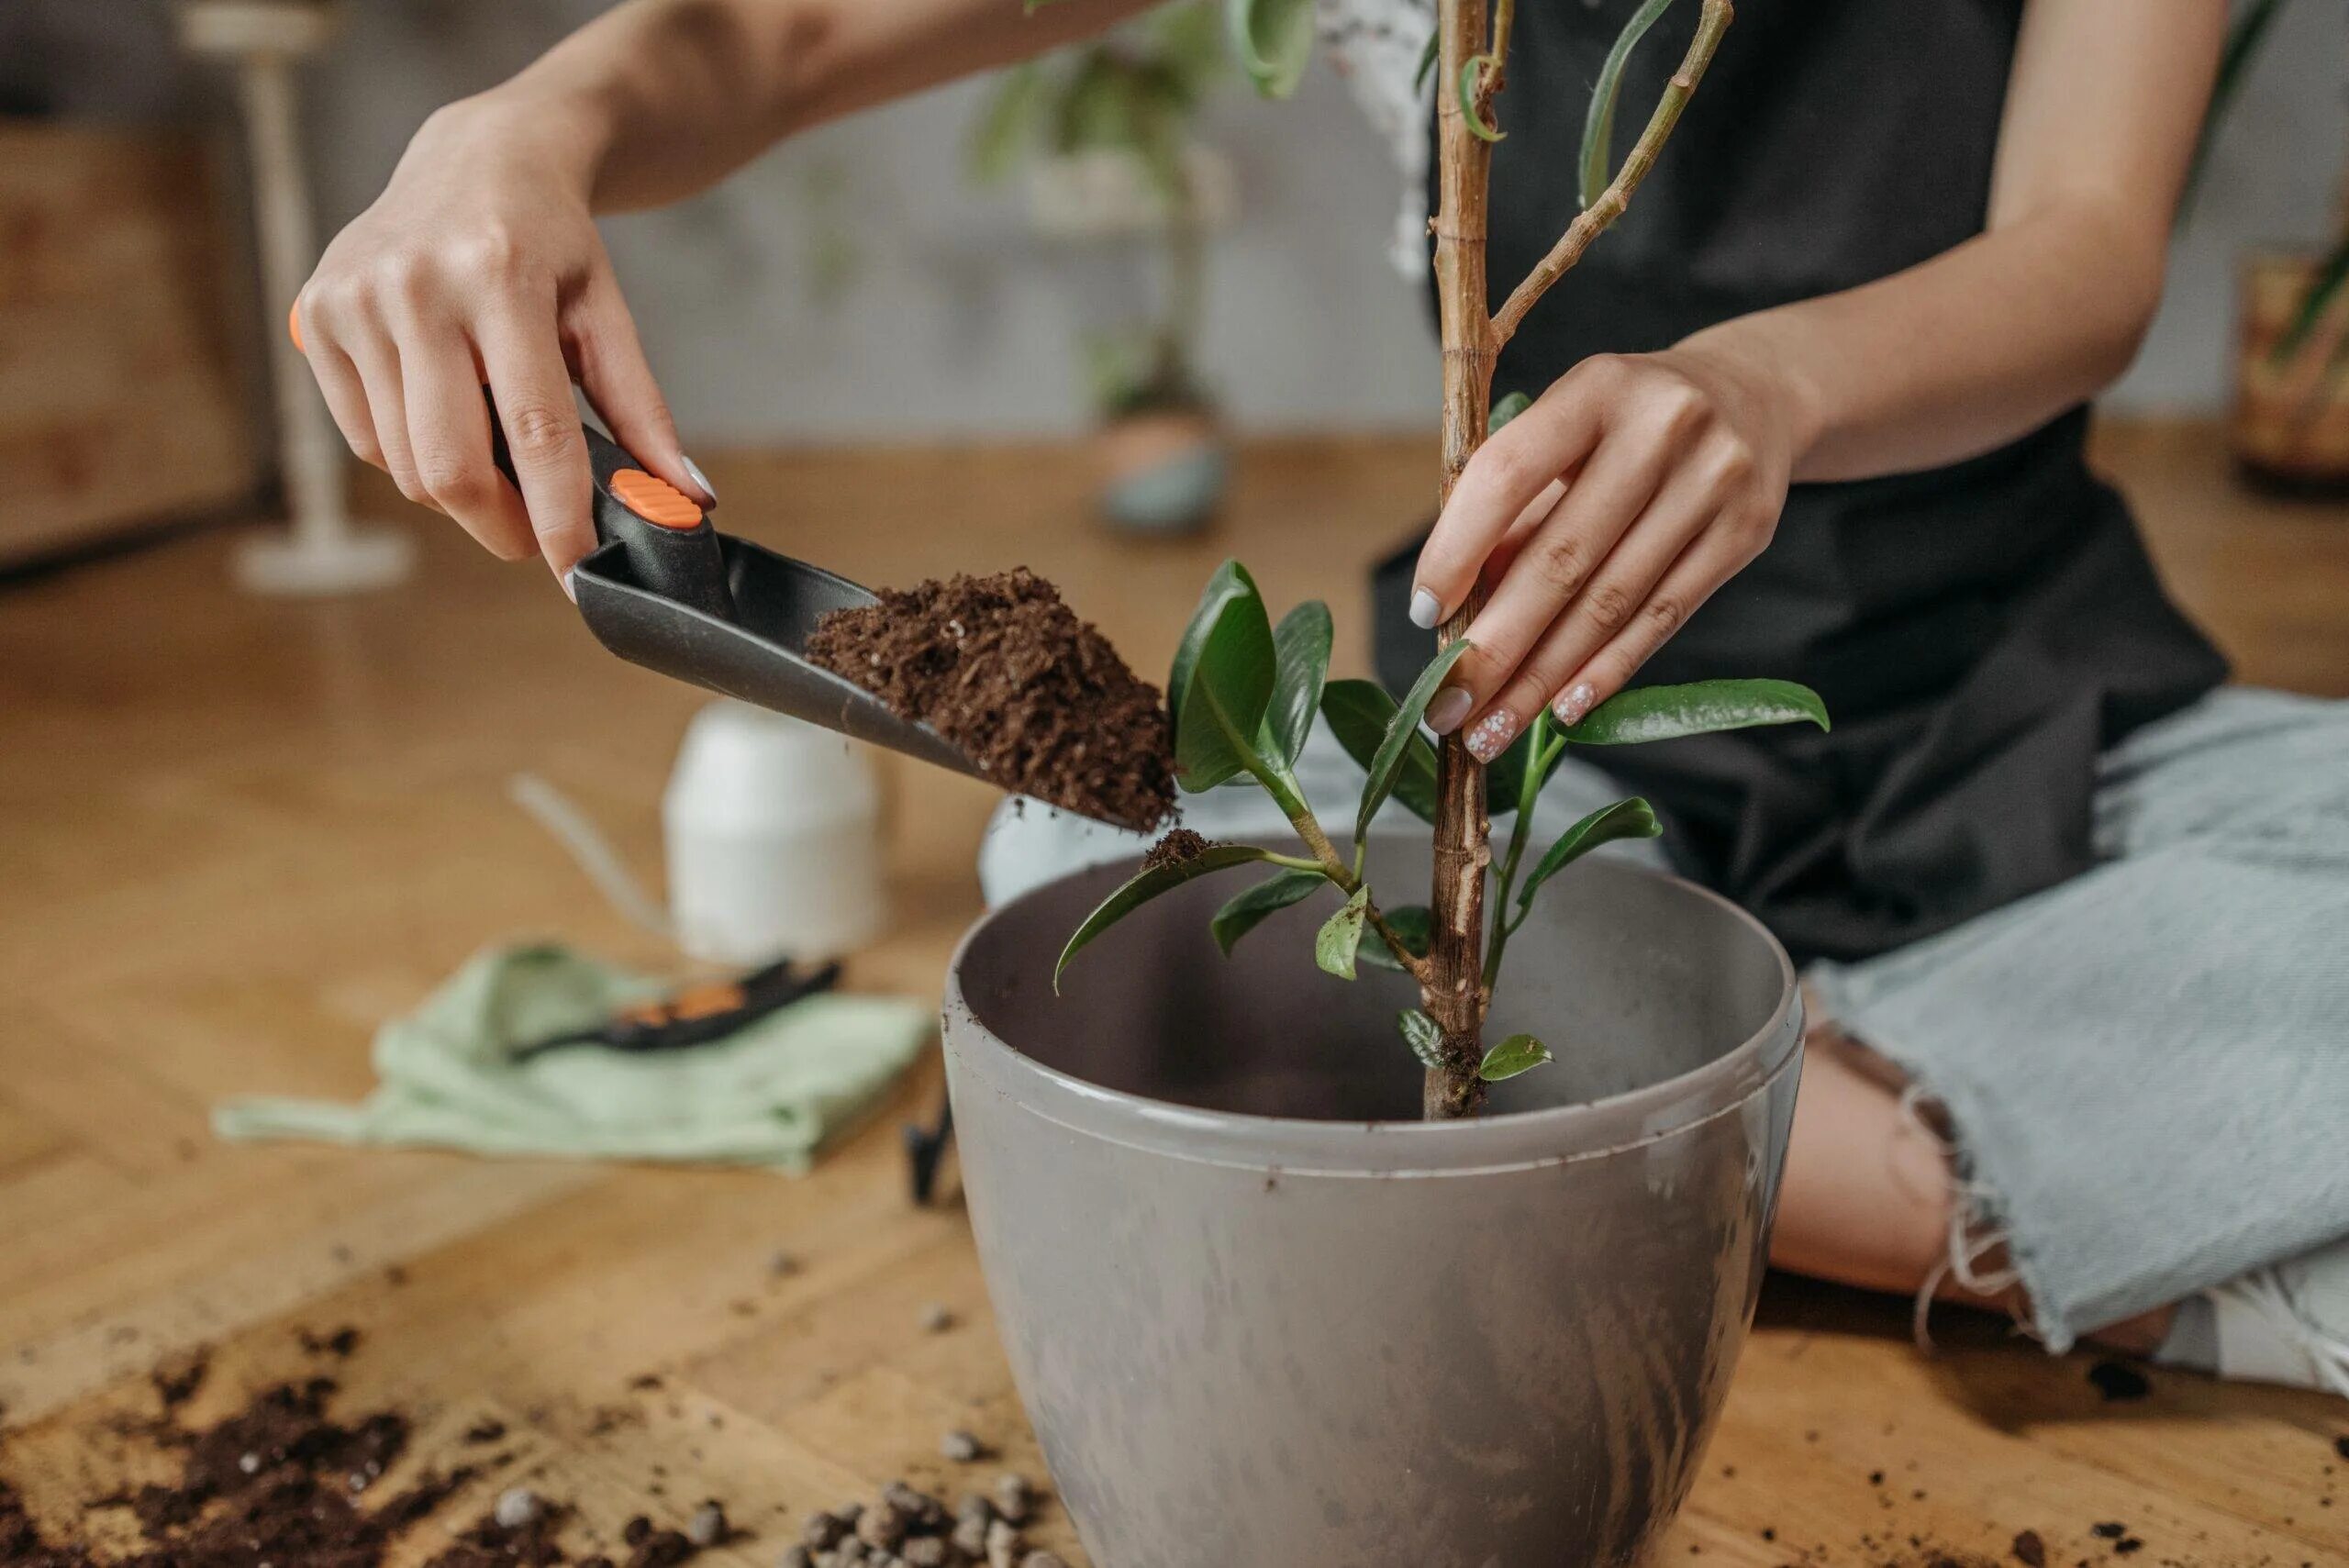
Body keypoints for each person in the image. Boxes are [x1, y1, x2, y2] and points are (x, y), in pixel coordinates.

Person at [294, 0, 2349, 1396]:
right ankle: (2033, 1194)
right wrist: (516, 126)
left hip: (2023, 713)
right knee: (1069, 836)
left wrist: (1764, 388)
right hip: (1497, 781)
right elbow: (777, 36)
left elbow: (2082, 252)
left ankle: (1484, 1132)